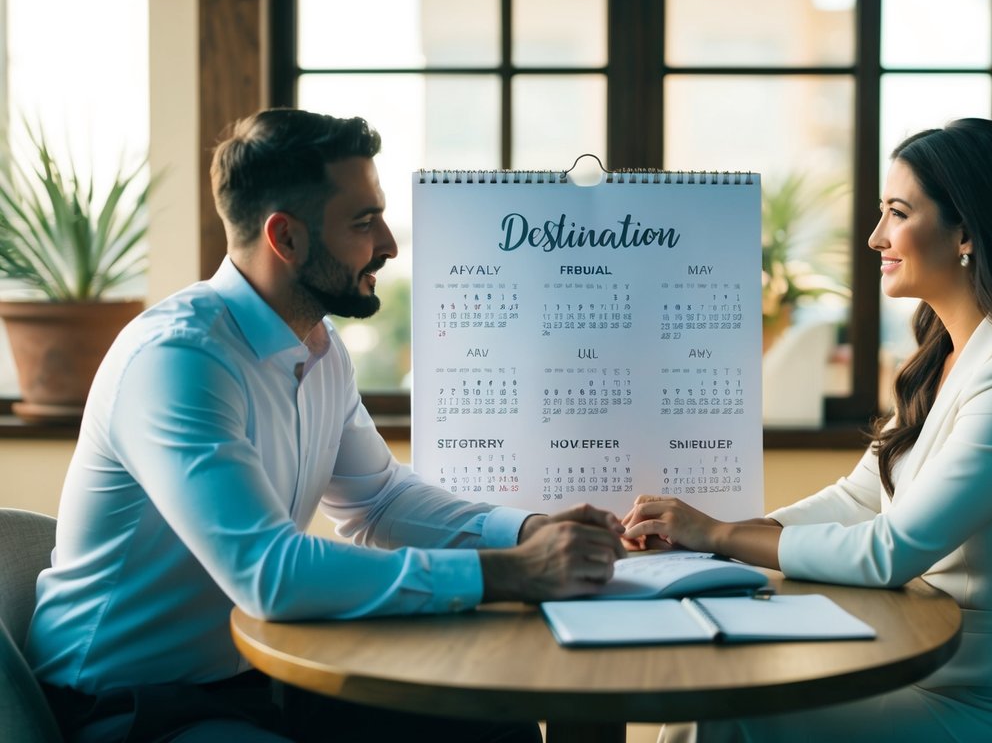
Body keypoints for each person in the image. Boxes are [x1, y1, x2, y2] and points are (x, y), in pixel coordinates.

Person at [25, 108, 626, 743]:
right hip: (127, 707)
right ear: (285, 237)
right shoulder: (177, 361)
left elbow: (379, 500)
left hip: (258, 680)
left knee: (489, 730)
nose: (389, 244)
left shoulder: (318, 347)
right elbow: (271, 576)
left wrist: (527, 531)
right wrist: (512, 573)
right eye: (363, 223)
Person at [622, 117, 992, 743]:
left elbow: (891, 551)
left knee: (728, 717)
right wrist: (712, 541)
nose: (875, 237)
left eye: (897, 213)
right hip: (938, 665)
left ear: (967, 230)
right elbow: (861, 497)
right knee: (708, 707)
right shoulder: (943, 357)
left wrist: (721, 535)